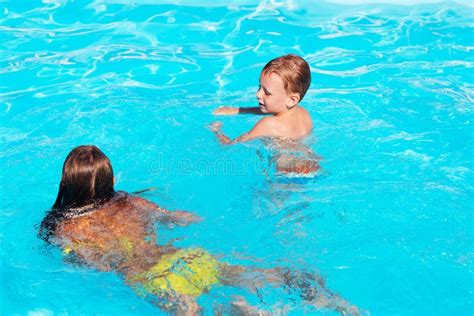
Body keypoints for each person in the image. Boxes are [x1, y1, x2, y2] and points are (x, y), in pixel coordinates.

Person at [39, 145, 359, 315]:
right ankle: (312, 292)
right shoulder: (129, 201)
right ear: (109, 178)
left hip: (156, 280)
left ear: (68, 182)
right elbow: (181, 218)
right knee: (255, 276)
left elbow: (94, 263)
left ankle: (242, 310)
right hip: (189, 258)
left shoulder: (67, 225)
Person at [210, 54, 319, 175]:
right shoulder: (303, 113)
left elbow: (230, 145)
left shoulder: (268, 124)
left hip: (288, 176)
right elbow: (272, 109)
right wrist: (239, 110)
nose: (258, 94)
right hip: (312, 166)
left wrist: (217, 131)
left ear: (292, 100)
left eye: (266, 92)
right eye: (259, 87)